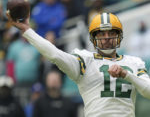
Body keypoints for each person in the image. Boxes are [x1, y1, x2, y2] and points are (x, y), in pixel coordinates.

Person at [6, 11, 150, 117]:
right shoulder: (85, 59)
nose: (106, 38)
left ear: (119, 36)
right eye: (101, 34)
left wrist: (127, 75)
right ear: (94, 38)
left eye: (111, 33)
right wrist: (27, 31)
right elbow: (55, 54)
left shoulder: (134, 62)